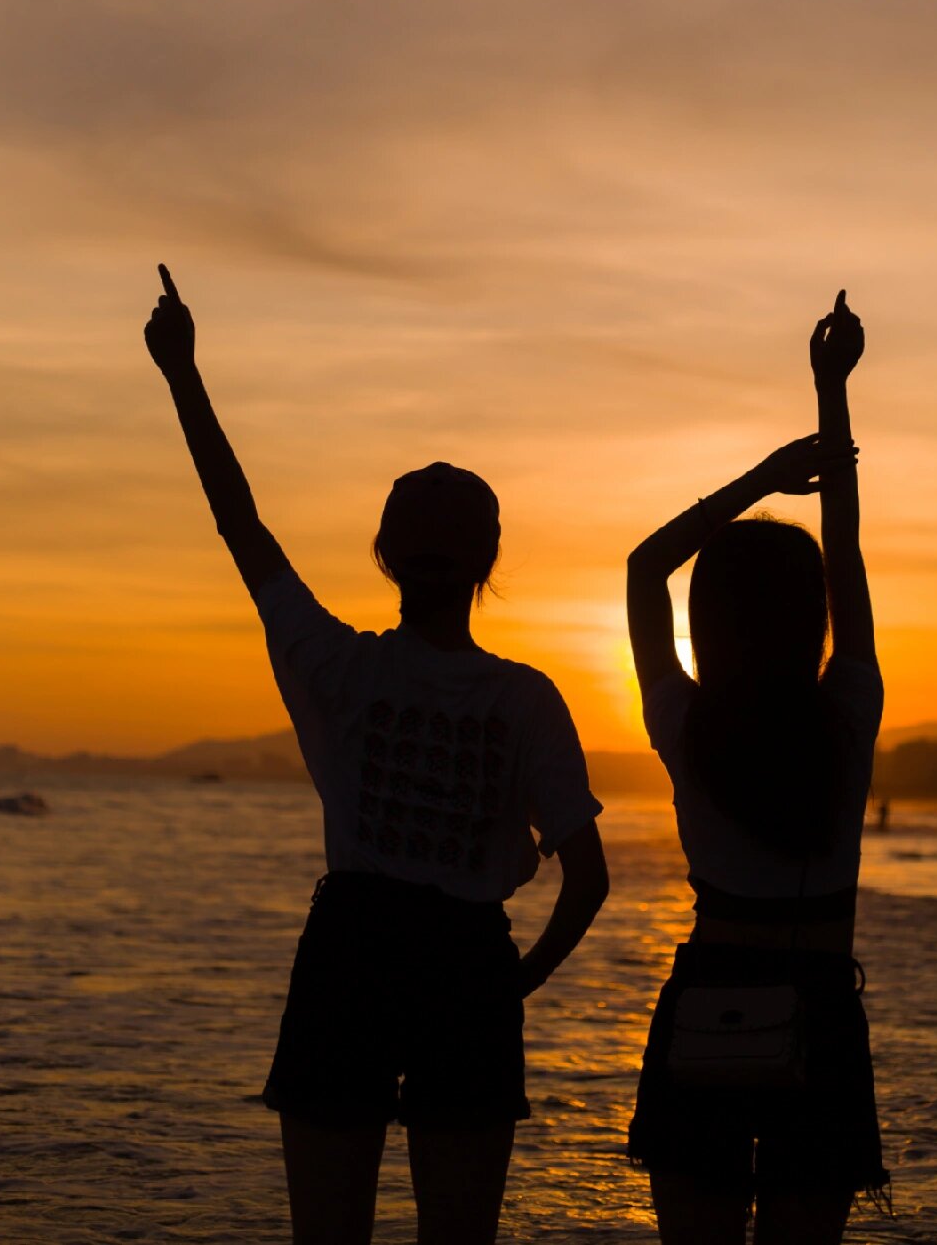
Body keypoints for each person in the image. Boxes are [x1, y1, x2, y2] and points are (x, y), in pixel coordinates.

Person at [144, 265, 609, 1245]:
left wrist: (182, 373)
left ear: (385, 556)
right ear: (485, 563)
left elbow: (241, 522)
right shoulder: (525, 696)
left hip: (349, 952)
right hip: (467, 960)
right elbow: (586, 878)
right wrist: (512, 983)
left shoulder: (332, 666)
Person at [625, 291, 888, 1245]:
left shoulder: (686, 722)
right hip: (817, 1007)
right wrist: (831, 393)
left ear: (712, 625)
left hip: (708, 999)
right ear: (810, 620)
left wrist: (766, 478)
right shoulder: (847, 717)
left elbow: (644, 567)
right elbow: (847, 553)